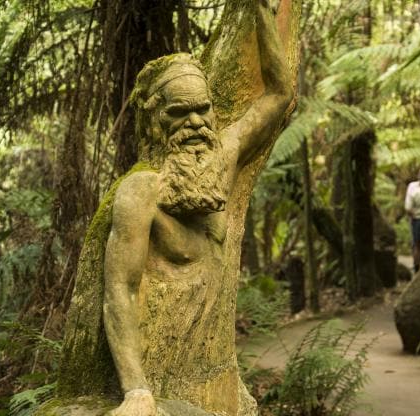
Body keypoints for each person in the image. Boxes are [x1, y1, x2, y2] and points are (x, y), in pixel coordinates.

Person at [58, 2, 293, 416]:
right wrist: (136, 390)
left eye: (203, 109)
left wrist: (261, 13)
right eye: (179, 113)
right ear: (154, 122)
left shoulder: (224, 158)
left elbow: (279, 96)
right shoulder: (140, 192)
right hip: (160, 381)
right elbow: (120, 290)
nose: (197, 123)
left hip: (215, 377)